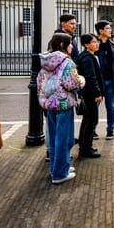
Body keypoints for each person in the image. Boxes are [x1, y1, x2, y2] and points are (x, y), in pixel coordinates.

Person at [37, 33, 85, 184]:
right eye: (70, 44)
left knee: (54, 137)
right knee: (64, 138)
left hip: (49, 103)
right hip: (63, 103)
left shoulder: (46, 61)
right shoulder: (67, 62)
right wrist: (82, 80)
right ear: (63, 45)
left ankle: (57, 167)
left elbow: (40, 81)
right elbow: (73, 84)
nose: (72, 46)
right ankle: (59, 173)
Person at [95, 20, 114, 140]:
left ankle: (110, 129)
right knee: (94, 107)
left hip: (111, 80)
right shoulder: (94, 44)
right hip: (98, 81)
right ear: (101, 31)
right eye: (107, 28)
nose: (110, 30)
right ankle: (92, 130)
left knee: (110, 106)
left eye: (110, 28)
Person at [75, 34, 104, 158]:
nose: (96, 44)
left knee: (87, 119)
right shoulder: (87, 58)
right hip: (90, 94)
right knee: (92, 120)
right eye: (94, 42)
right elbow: (90, 77)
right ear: (86, 44)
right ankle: (86, 148)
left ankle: (84, 144)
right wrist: (97, 93)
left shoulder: (87, 56)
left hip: (87, 93)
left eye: (97, 42)